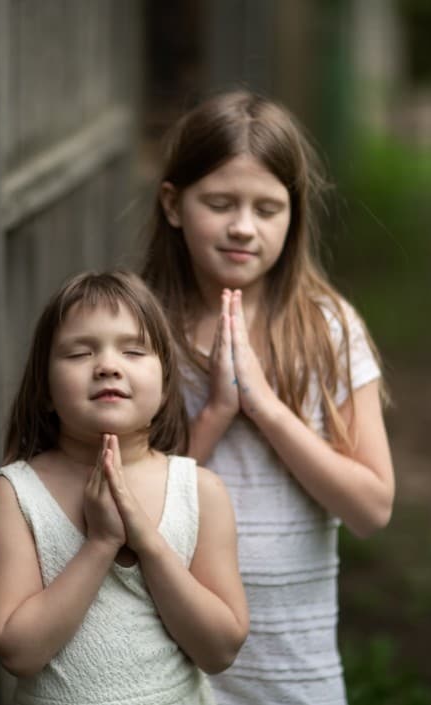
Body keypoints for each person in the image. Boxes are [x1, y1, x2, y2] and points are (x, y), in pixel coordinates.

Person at [140, 91, 396, 705]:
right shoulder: (142, 333)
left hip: (291, 665)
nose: (242, 227)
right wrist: (217, 413)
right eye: (220, 203)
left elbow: (372, 509)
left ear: (294, 214)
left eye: (267, 208)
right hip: (171, 655)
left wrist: (266, 408)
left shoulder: (328, 328)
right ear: (174, 205)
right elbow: (128, 510)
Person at [0, 271, 249, 705]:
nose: (108, 365)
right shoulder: (16, 494)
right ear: (45, 389)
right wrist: (101, 544)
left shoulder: (200, 492)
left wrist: (148, 543)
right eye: (80, 352)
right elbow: (18, 651)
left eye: (132, 350)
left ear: (164, 385)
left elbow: (220, 649)